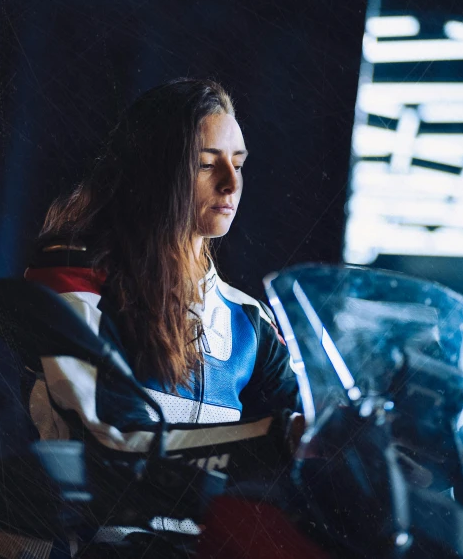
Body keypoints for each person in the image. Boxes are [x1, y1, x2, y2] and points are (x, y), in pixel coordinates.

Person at [24, 78, 298, 444]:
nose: (231, 184)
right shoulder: (78, 282)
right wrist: (275, 438)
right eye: (206, 164)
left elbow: (316, 432)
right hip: (87, 502)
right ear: (156, 172)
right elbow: (119, 441)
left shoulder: (249, 320)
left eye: (238, 164)